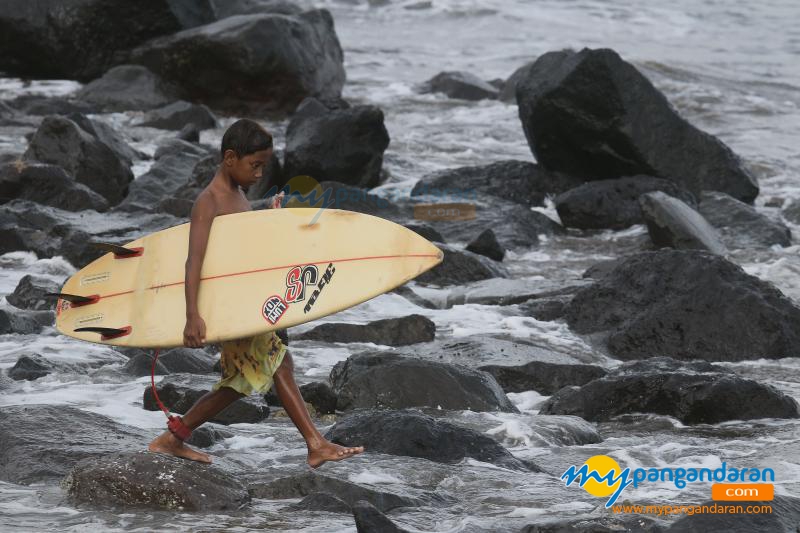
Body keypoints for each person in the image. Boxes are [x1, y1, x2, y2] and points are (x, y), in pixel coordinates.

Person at [148, 118, 364, 467]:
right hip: (232, 307)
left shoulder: (238, 196)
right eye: (255, 165)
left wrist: (268, 217)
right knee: (276, 363)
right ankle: (316, 444)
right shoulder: (209, 201)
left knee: (241, 381)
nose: (260, 173)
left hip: (245, 303)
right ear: (230, 158)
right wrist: (192, 316)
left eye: (264, 166)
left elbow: (240, 249)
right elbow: (194, 261)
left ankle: (173, 438)